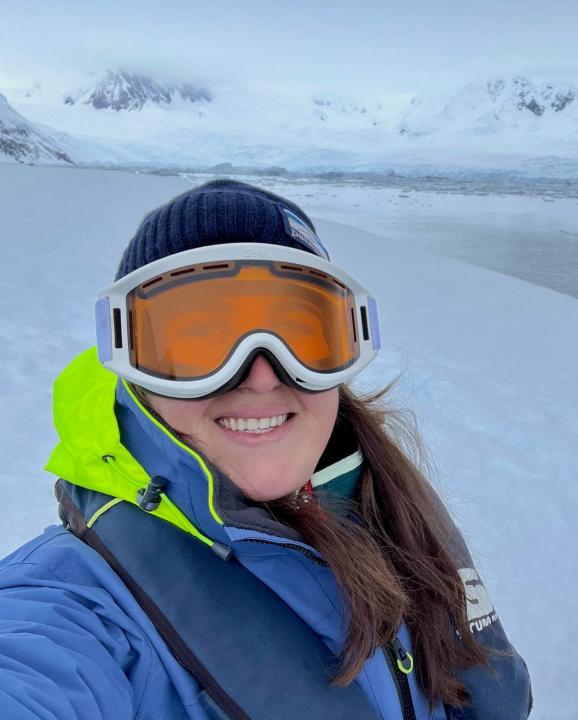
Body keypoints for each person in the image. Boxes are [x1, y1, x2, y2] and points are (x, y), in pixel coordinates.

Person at [0, 180, 532, 719]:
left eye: (300, 334)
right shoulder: (80, 607)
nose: (259, 375)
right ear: (133, 367)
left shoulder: (384, 514)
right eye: (199, 339)